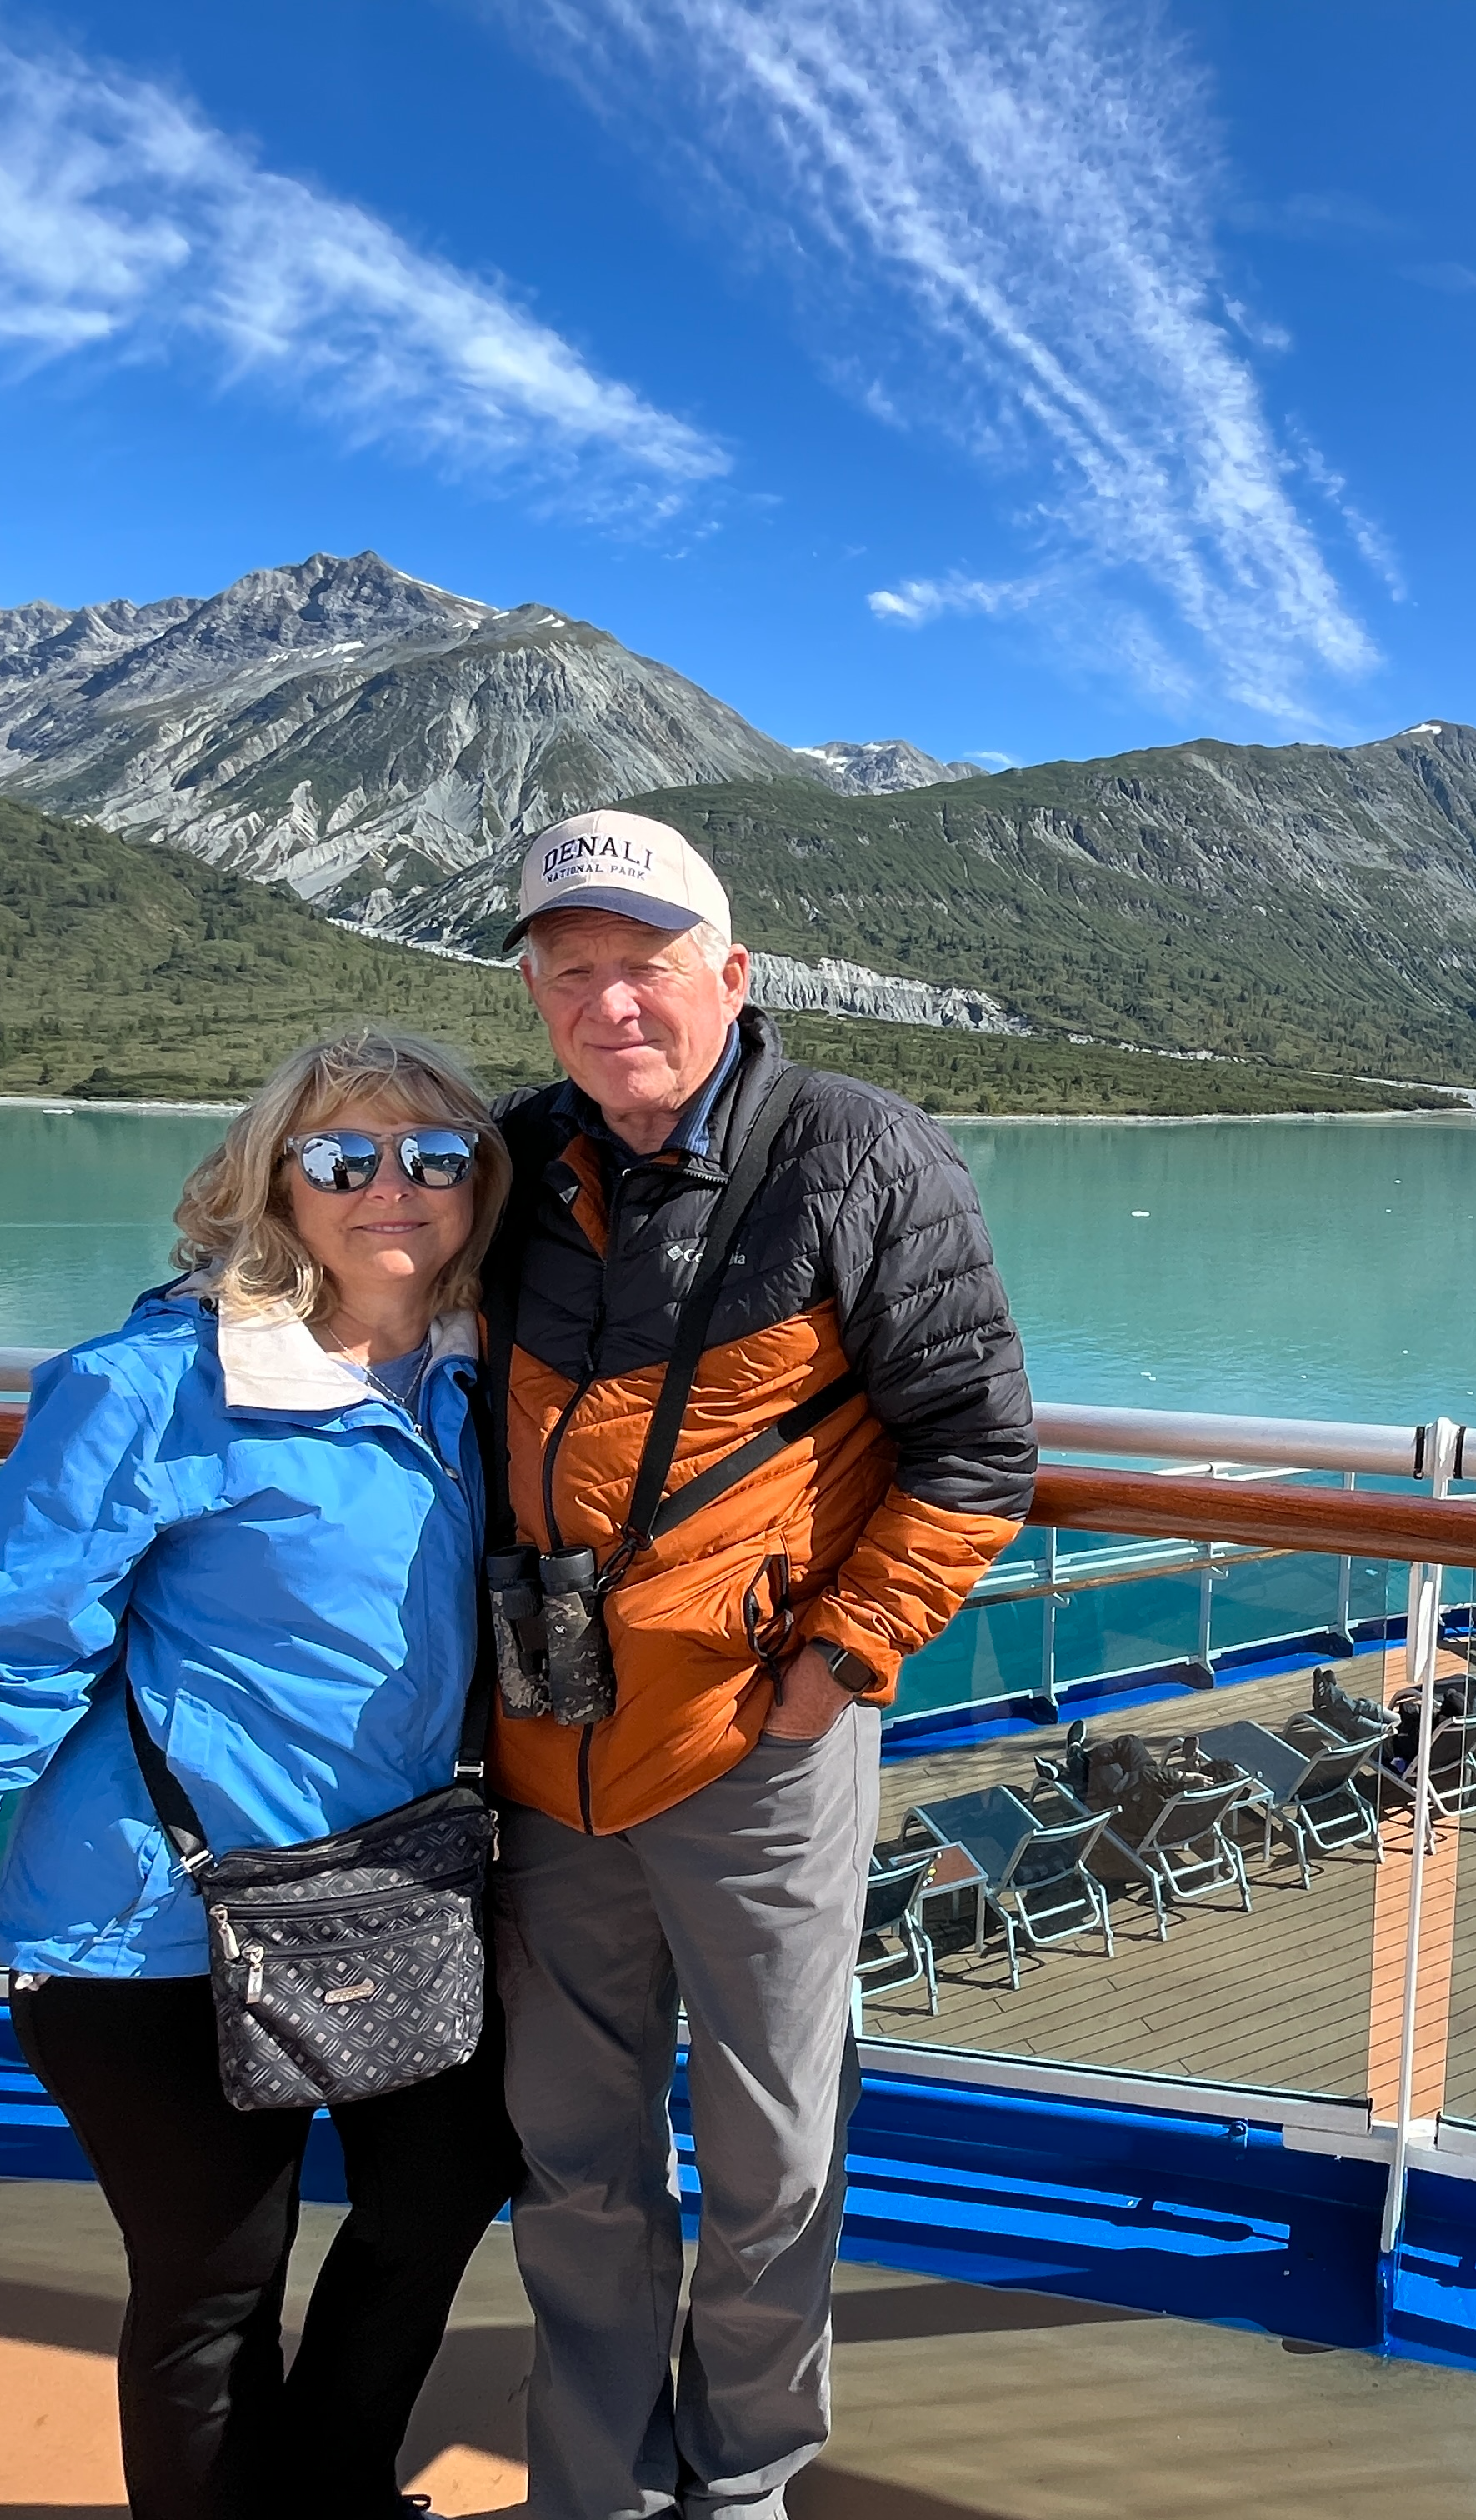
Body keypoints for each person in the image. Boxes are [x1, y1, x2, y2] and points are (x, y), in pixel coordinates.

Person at [0, 1029, 522, 2520]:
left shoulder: (485, 1372)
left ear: (485, 1180)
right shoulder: (154, 1386)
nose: (390, 1189)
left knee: (450, 2176)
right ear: (277, 1184)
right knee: (214, 2292)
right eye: (343, 1157)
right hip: (148, 1926)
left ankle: (328, 2491)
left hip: (375, 1899)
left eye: (435, 1155)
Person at [483, 808, 1035, 2520]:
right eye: (569, 972)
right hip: (546, 1747)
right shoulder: (508, 1165)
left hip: (757, 1751)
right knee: (571, 2165)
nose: (609, 1003)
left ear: (730, 976)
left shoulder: (866, 1156)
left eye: (642, 968)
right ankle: (597, 2488)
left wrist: (840, 1665)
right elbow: (329, 1284)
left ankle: (744, 2483)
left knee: (773, 2155)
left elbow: (977, 1449)